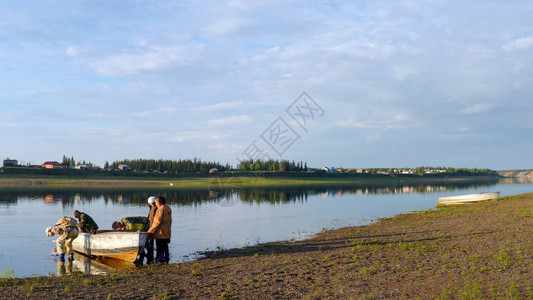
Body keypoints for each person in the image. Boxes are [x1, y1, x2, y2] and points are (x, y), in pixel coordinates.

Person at [147, 195, 172, 263]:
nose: (155, 203)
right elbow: (170, 221)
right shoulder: (168, 208)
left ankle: (161, 259)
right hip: (167, 231)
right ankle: (166, 257)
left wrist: (150, 231)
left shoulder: (160, 209)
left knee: (160, 246)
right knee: (165, 245)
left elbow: (157, 221)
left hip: (160, 232)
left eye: (156, 202)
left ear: (160, 202)